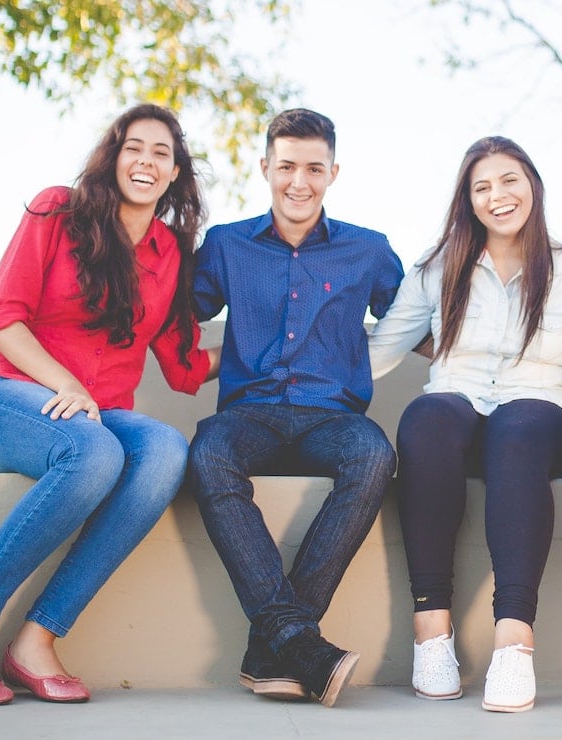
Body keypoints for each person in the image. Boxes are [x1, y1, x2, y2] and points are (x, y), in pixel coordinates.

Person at [367, 136, 562, 713]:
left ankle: (514, 640)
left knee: (517, 429)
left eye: (509, 180)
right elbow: (378, 351)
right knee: (428, 416)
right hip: (455, 411)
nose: (498, 196)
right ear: (468, 201)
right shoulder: (437, 269)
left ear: (532, 184)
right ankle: (432, 630)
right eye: (481, 187)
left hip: (539, 415)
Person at [0, 104, 218, 706]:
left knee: (165, 450)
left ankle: (35, 640)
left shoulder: (170, 253)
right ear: (113, 157)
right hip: (15, 390)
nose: (145, 160)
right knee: (93, 454)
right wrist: (64, 383)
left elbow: (184, 364)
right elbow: (3, 320)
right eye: (133, 147)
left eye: (161, 153)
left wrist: (276, 346)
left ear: (174, 174)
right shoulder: (56, 209)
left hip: (100, 410)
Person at [187, 108, 403, 708]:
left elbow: (422, 319)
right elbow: (174, 312)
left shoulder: (369, 250)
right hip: (247, 415)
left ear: (334, 172)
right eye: (286, 167)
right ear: (265, 168)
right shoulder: (227, 244)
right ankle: (300, 644)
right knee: (207, 454)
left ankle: (276, 646)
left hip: (333, 418)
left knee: (374, 456)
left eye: (314, 168)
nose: (299, 182)